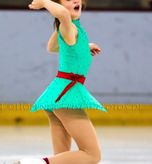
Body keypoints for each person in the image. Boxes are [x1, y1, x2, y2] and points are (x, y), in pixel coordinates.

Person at [13, 0, 108, 163]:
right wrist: (44, 2)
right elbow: (63, 14)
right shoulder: (68, 25)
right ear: (60, 5)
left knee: (62, 157)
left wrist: (83, 46)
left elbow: (52, 47)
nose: (76, 0)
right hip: (66, 94)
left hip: (58, 93)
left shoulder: (71, 29)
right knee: (92, 155)